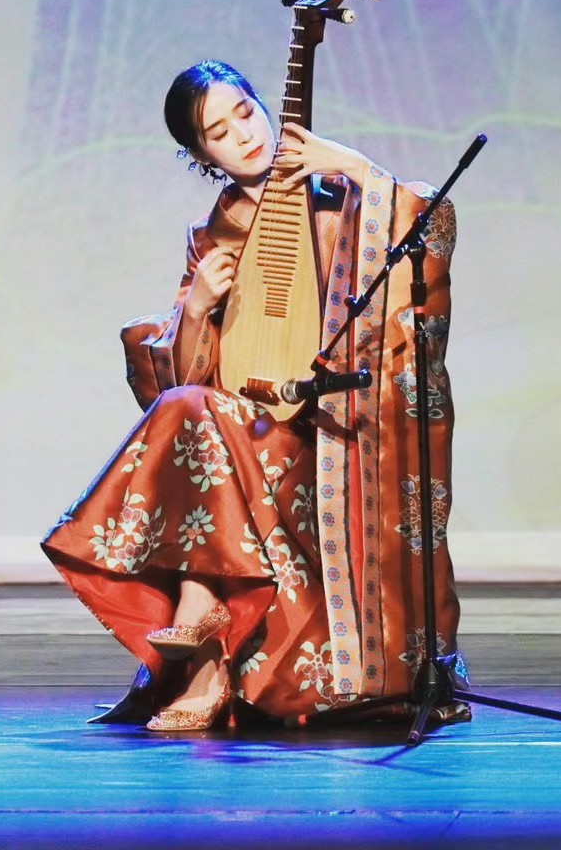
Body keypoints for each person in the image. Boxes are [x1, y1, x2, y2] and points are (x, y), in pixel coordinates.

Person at [41, 60, 464, 731]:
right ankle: (204, 644)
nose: (243, 133)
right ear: (200, 155)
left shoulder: (336, 191)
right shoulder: (215, 237)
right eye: (217, 131)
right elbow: (178, 388)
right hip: (246, 442)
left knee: (195, 418)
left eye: (245, 110)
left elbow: (429, 230)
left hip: (327, 434)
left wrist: (351, 164)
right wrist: (197, 310)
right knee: (189, 412)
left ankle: (202, 643)